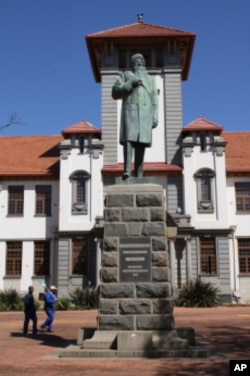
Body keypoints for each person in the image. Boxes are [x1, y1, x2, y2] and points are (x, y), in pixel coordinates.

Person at [112, 53, 158, 179]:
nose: (141, 62)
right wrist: (130, 84)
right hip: (130, 112)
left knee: (141, 143)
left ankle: (139, 172)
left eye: (143, 60)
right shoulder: (125, 75)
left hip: (145, 114)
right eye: (138, 60)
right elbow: (115, 93)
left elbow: (155, 99)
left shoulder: (150, 79)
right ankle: (127, 170)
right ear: (133, 64)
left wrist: (155, 116)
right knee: (129, 141)